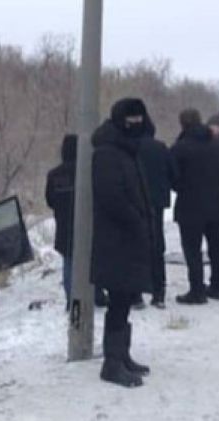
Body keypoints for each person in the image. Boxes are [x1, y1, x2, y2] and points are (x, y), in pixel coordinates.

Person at [91, 98, 156, 388]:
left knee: (125, 299)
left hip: (128, 239)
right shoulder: (107, 153)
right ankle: (112, 363)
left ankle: (122, 355)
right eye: (131, 119)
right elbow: (111, 196)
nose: (136, 124)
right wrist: (136, 220)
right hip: (115, 240)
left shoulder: (129, 150)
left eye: (139, 118)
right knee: (118, 300)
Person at [170, 109, 219, 304]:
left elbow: (173, 176)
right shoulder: (216, 145)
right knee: (217, 246)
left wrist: (181, 186)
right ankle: (218, 286)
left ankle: (197, 290)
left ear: (182, 124)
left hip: (190, 206)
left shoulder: (181, 148)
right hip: (217, 203)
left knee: (192, 249)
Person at [138, 111, 175, 309]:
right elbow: (173, 173)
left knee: (135, 245)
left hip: (135, 202)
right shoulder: (161, 148)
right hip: (157, 202)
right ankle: (158, 292)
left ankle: (135, 294)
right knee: (157, 246)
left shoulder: (130, 148)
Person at [46, 134, 78, 304]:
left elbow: (49, 200)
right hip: (84, 222)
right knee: (88, 260)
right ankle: (93, 295)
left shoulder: (54, 175)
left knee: (69, 261)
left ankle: (71, 300)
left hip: (64, 223)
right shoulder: (85, 171)